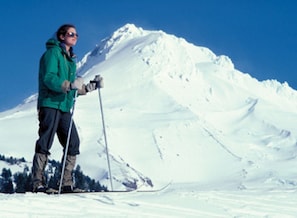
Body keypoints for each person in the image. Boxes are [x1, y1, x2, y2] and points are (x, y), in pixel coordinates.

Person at [32, 24, 103, 193]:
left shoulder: (70, 59)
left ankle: (65, 183)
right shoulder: (52, 54)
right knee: (45, 141)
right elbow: (49, 78)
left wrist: (88, 87)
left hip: (64, 105)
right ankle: (37, 183)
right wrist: (68, 84)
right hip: (50, 103)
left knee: (73, 142)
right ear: (62, 36)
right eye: (71, 34)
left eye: (76, 35)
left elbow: (71, 89)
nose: (75, 37)